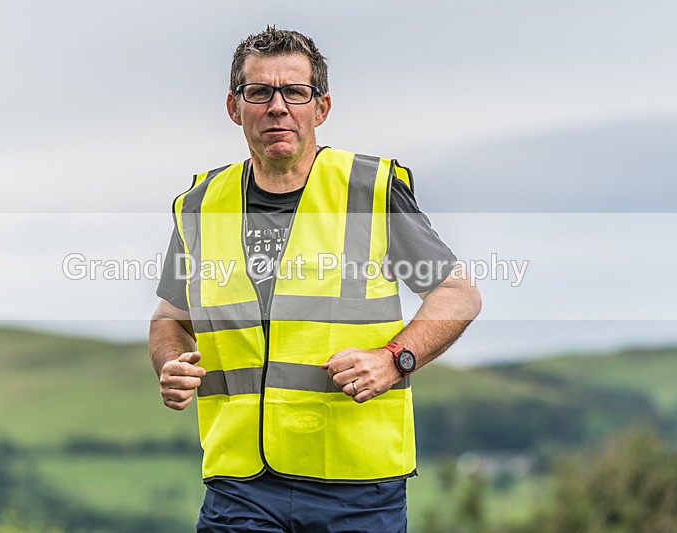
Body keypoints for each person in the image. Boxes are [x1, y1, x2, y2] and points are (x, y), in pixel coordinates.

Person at [149, 26, 482, 532]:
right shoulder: (199, 205)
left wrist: (395, 360)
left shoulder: (368, 189)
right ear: (234, 107)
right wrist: (171, 363)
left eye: (294, 92)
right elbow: (169, 318)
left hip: (357, 486)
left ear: (320, 107)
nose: (277, 106)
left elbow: (458, 293)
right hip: (240, 484)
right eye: (258, 92)